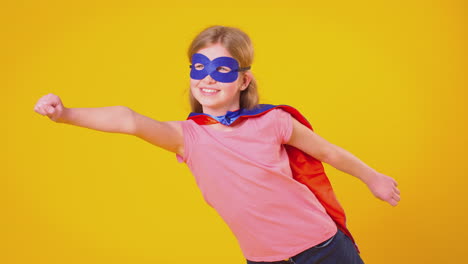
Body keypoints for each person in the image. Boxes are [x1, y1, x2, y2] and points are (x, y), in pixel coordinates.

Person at [34, 25, 400, 264]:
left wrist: (373, 178)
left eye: (221, 69)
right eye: (199, 67)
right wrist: (65, 113)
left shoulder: (273, 121)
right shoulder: (187, 137)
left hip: (323, 249)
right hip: (264, 259)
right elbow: (128, 119)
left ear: (243, 80)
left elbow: (328, 152)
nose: (208, 79)